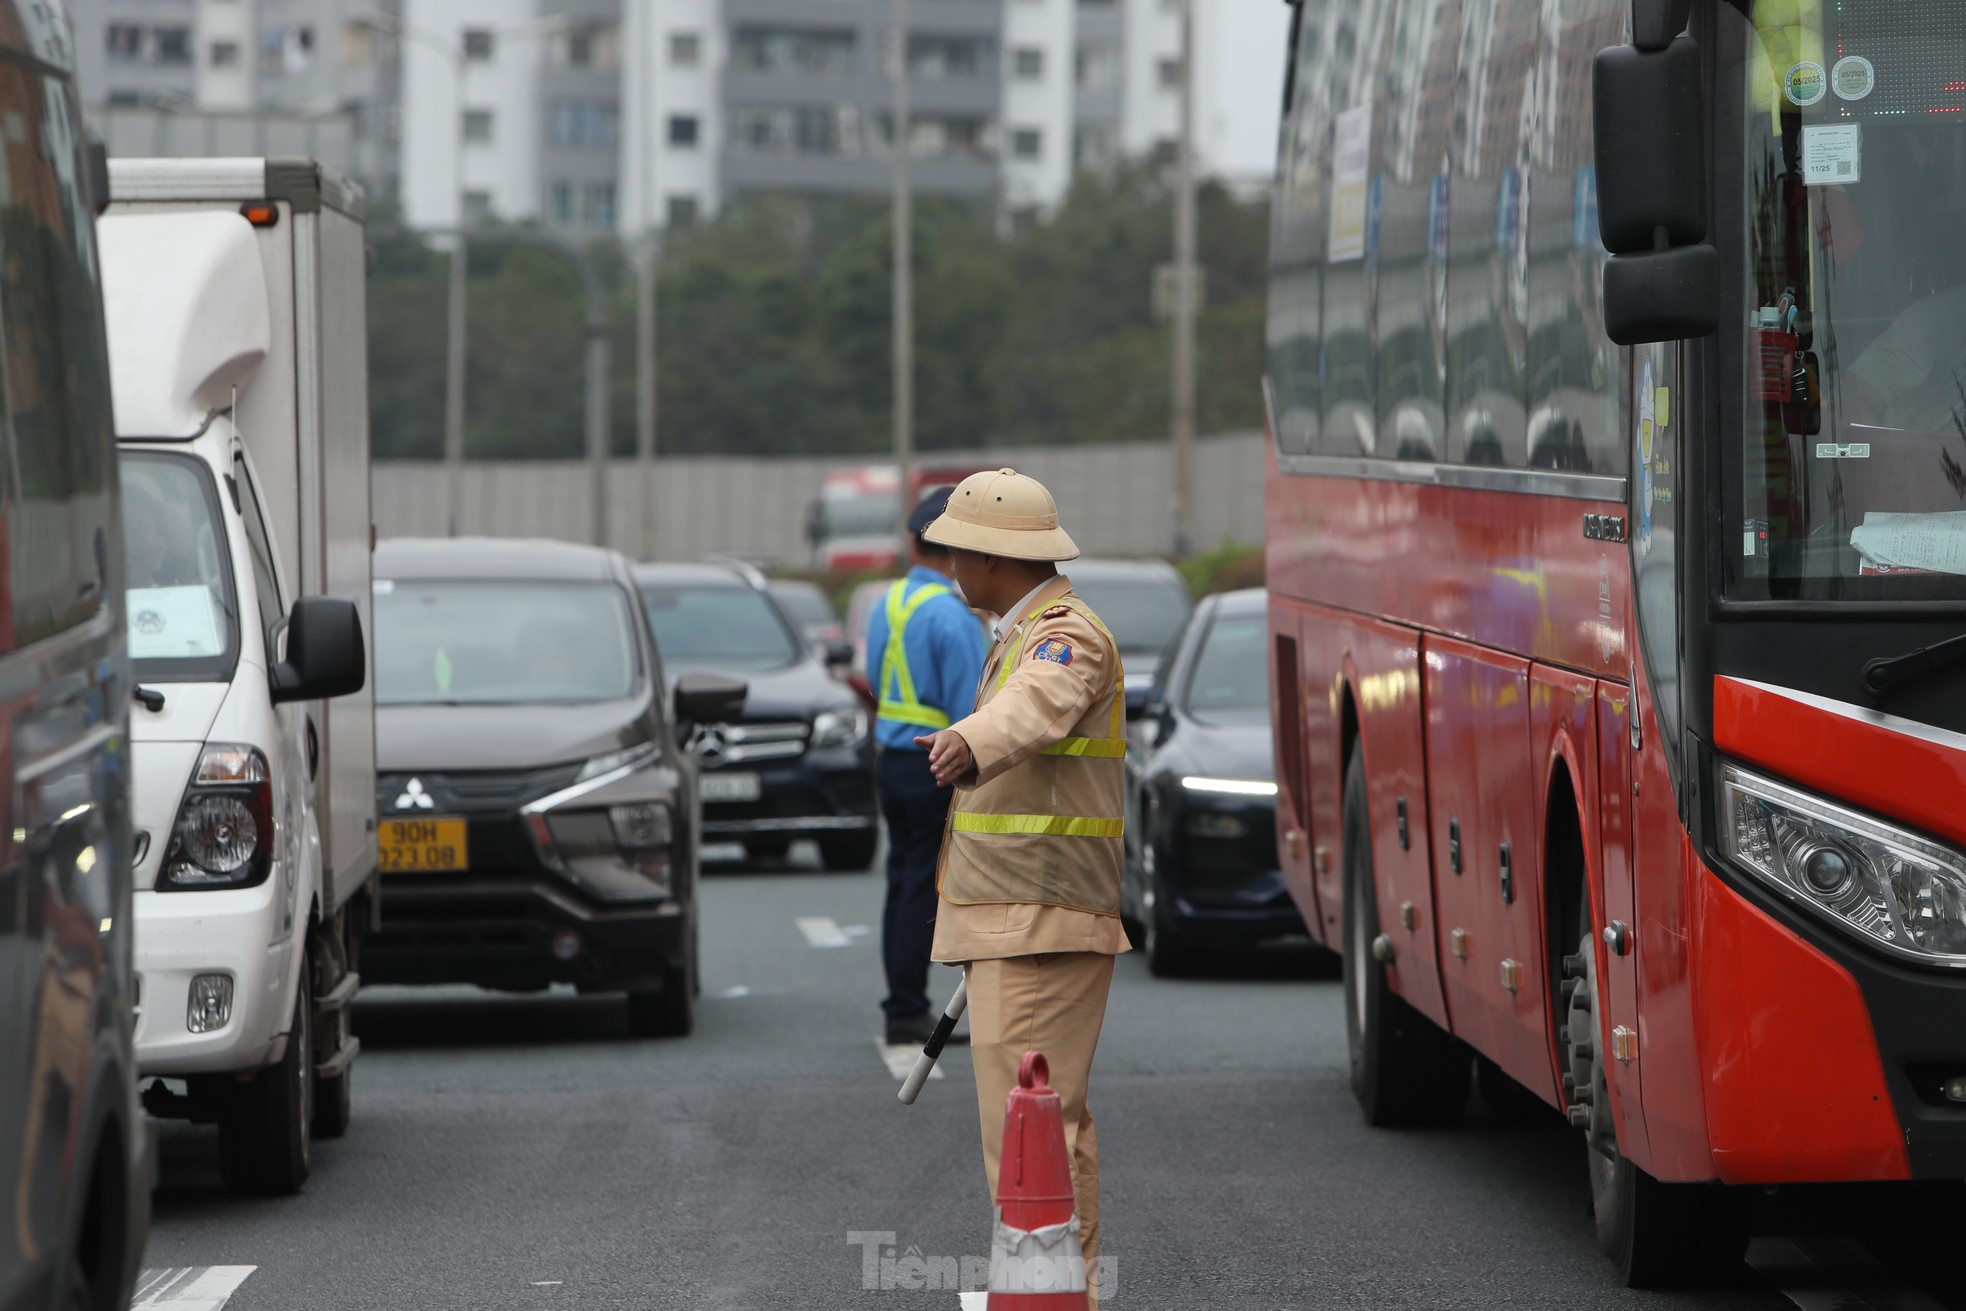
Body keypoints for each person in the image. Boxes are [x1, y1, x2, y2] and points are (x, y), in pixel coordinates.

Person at [914, 468, 1130, 1302]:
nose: (946, 563)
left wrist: (968, 740)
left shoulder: (1061, 635)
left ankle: (1047, 1297)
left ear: (990, 557)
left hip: (1041, 919)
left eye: (954, 549)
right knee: (1036, 1128)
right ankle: (1044, 1293)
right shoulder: (1025, 628)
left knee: (1037, 1129)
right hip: (1019, 919)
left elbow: (1038, 703)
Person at [867, 486, 989, 1047]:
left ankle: (901, 1002)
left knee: (902, 882)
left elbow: (874, 683)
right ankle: (908, 1010)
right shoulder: (951, 614)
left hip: (891, 760)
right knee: (926, 886)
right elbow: (973, 710)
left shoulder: (889, 602)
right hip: (933, 764)